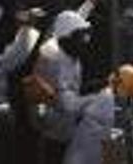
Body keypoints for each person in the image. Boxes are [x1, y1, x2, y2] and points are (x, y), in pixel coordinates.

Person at [31, 9, 93, 163]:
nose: (86, 40)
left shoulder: (67, 48)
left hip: (66, 126)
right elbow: (67, 104)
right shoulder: (56, 62)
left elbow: (66, 24)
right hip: (55, 131)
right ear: (68, 37)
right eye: (81, 36)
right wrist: (98, 96)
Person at [65, 64, 133, 164]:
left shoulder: (103, 98)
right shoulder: (127, 114)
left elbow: (69, 105)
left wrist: (66, 85)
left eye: (117, 73)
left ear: (119, 81)